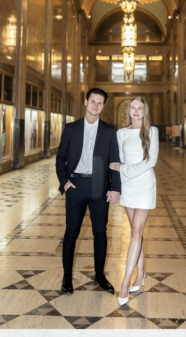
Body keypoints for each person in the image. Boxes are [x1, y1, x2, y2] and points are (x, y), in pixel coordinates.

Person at [55, 88, 121, 294]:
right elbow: (60, 158)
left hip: (100, 188)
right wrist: (65, 181)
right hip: (76, 186)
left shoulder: (110, 131)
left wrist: (115, 188)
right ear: (86, 102)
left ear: (103, 106)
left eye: (100, 103)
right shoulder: (71, 128)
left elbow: (114, 162)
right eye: (93, 101)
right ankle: (67, 278)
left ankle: (100, 275)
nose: (96, 106)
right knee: (71, 232)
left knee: (100, 232)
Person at [110, 97, 159, 305]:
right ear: (128, 111)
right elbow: (118, 161)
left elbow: (151, 161)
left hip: (145, 186)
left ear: (144, 110)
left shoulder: (152, 131)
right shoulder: (121, 133)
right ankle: (141, 274)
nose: (136, 111)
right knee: (135, 233)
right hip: (128, 187)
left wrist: (125, 170)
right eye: (133, 108)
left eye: (140, 108)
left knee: (137, 231)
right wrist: (120, 180)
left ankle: (124, 284)